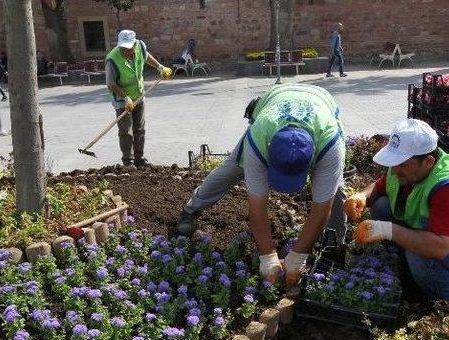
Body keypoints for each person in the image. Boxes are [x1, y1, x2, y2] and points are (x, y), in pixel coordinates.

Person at [177, 83, 347, 286]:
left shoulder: (330, 146)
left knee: (333, 190)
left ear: (313, 160)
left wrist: (298, 256)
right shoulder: (259, 138)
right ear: (268, 154)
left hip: (321, 101)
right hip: (275, 101)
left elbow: (321, 210)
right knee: (233, 168)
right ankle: (191, 209)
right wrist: (268, 256)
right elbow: (256, 207)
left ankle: (334, 245)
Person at [345, 119, 449, 302]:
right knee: (381, 205)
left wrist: (384, 230)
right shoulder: (404, 170)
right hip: (439, 238)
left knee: (420, 255)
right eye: (394, 162)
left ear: (428, 161)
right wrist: (362, 197)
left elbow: (439, 247)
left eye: (402, 164)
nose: (395, 170)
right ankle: (403, 268)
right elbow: (380, 187)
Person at [105, 29, 173, 167]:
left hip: (139, 95)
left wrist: (160, 67)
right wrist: (125, 98)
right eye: (123, 48)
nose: (125, 51)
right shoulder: (112, 59)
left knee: (139, 128)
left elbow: (146, 57)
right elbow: (111, 84)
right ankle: (128, 162)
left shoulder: (140, 47)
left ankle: (139, 158)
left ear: (135, 44)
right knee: (126, 131)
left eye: (128, 48)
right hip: (122, 100)